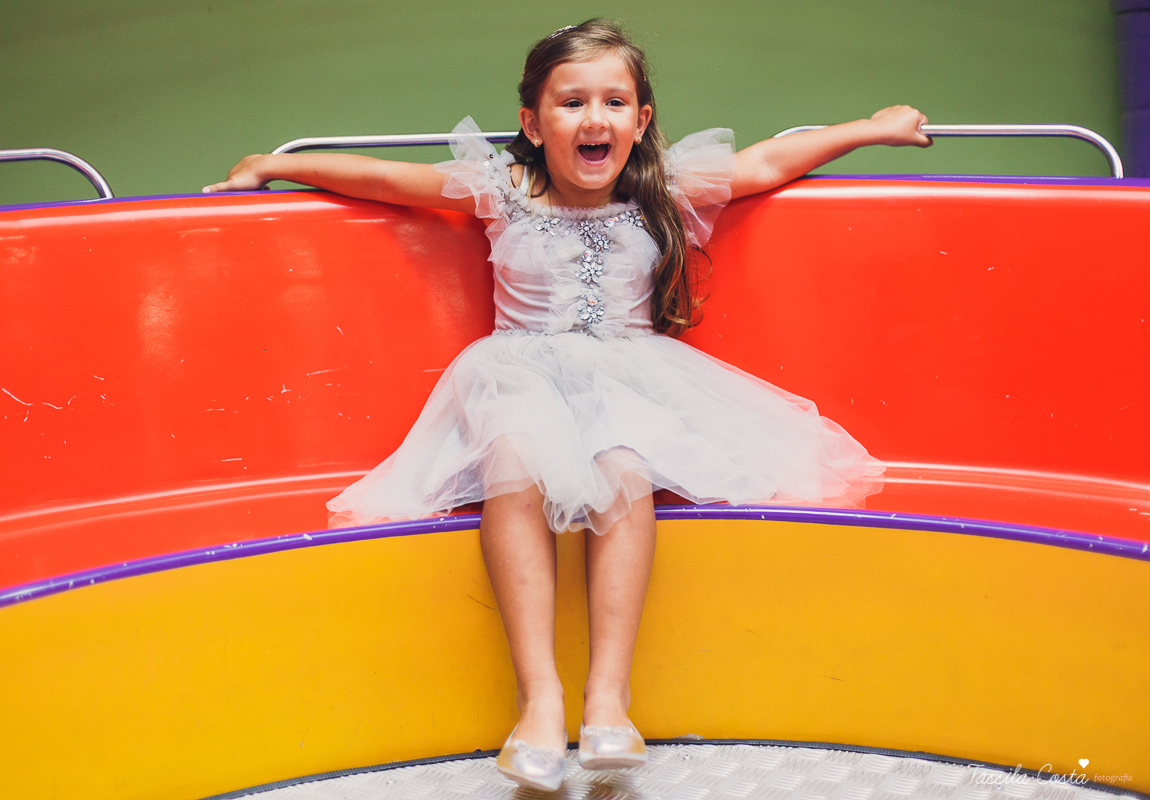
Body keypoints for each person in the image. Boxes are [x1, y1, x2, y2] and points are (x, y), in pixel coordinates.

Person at [205, 18, 930, 792]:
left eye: (615, 102)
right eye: (571, 102)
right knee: (516, 460)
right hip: (517, 371)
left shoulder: (666, 188)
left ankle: (609, 700)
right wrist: (272, 164)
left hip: (631, 372)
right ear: (531, 122)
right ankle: (540, 698)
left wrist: (874, 129)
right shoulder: (502, 190)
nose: (595, 119)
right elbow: (385, 179)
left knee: (622, 465)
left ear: (641, 120)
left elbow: (768, 160)